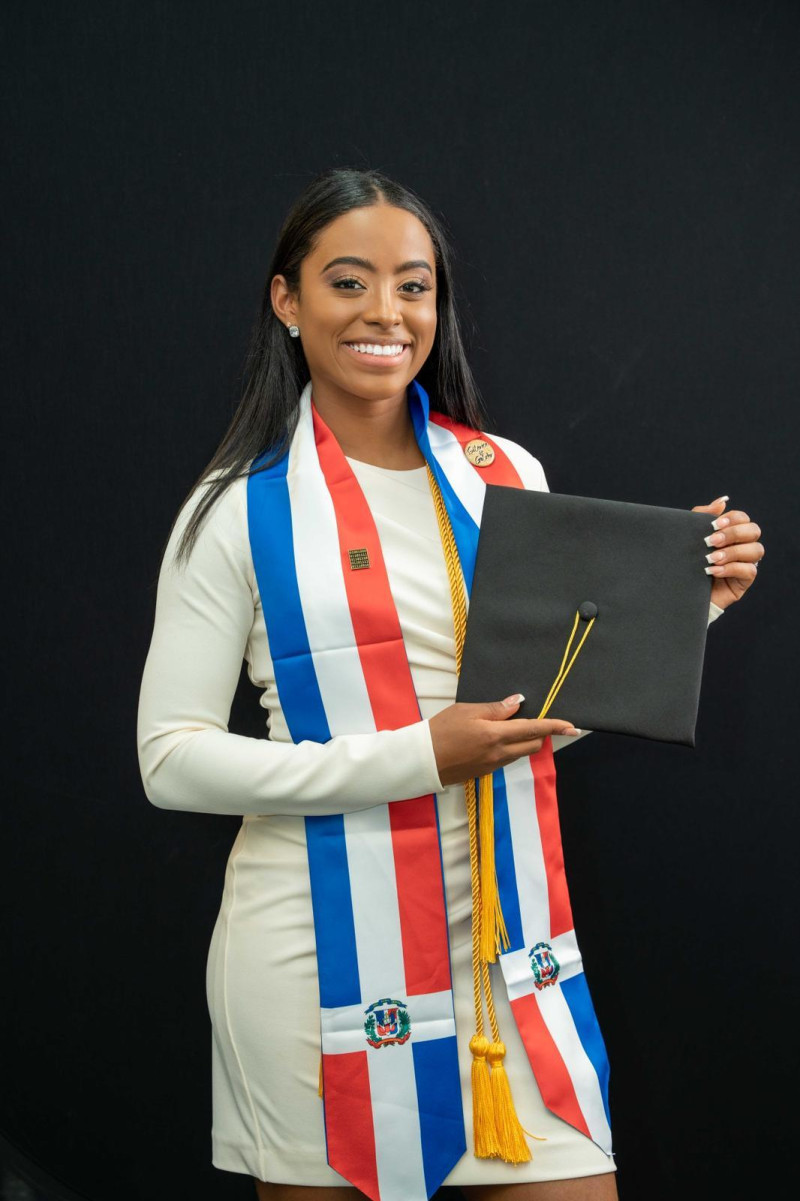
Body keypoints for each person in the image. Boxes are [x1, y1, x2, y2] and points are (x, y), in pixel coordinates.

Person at [136, 167, 764, 1201]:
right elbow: (170, 761)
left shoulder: (503, 475)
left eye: (413, 286)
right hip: (319, 954)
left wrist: (684, 609)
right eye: (348, 282)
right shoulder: (236, 510)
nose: (385, 312)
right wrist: (421, 755)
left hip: (509, 946)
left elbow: (537, 710)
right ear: (286, 299)